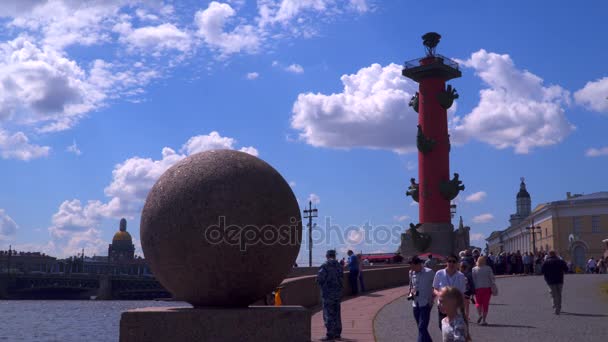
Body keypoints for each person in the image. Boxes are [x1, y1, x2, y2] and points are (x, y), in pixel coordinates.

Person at [433, 254, 468, 330]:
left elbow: (462, 293)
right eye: (449, 261)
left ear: (457, 263)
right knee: (442, 326)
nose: (451, 263)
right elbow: (435, 288)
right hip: (443, 306)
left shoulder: (461, 276)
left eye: (454, 261)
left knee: (455, 327)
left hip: (455, 306)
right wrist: (439, 294)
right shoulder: (439, 273)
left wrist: (463, 310)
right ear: (446, 262)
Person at [317, 249, 343, 340]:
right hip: (337, 293)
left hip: (328, 294)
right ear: (335, 256)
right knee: (337, 313)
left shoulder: (325, 265)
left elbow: (320, 278)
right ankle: (337, 333)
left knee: (328, 313)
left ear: (327, 256)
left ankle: (330, 335)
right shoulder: (339, 266)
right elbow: (341, 278)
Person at [408, 256, 435, 342]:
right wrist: (411, 292)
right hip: (415, 303)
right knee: (420, 327)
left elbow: (435, 286)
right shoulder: (411, 273)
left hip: (426, 303)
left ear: (419, 264)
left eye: (412, 266)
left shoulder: (429, 272)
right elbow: (411, 285)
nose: (411, 268)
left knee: (422, 327)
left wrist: (432, 299)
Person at [541, 250, 568, 315]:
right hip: (560, 280)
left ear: (549, 255)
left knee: (553, 294)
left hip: (550, 280)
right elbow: (566, 269)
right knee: (559, 294)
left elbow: (542, 271)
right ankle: (558, 307)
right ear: (556, 254)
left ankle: (555, 306)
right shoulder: (560, 261)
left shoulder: (545, 262)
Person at [472, 256, 495, 325]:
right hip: (487, 288)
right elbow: (492, 278)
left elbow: (473, 279)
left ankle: (480, 315)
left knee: (478, 303)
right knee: (485, 304)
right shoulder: (488, 268)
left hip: (478, 288)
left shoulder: (474, 269)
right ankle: (484, 320)